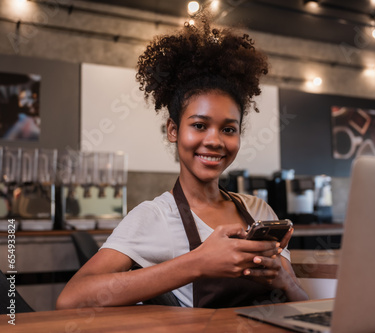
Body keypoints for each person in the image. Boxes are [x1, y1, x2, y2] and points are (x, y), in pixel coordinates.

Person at [57, 15, 308, 309]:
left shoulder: (258, 211)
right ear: (173, 130)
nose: (214, 140)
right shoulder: (155, 217)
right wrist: (197, 263)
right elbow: (72, 299)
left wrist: (286, 282)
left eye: (228, 129)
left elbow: (301, 306)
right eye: (200, 125)